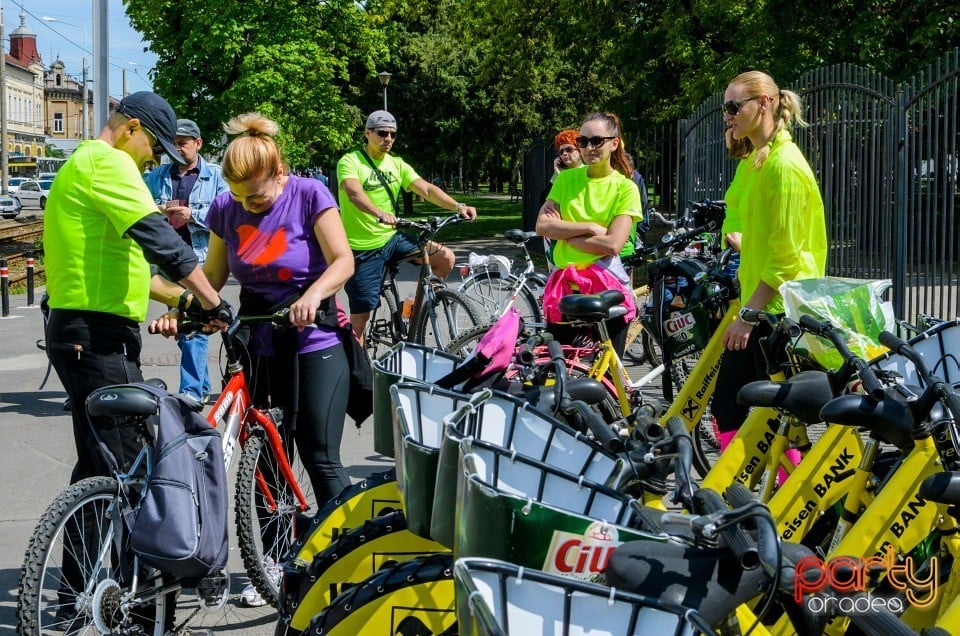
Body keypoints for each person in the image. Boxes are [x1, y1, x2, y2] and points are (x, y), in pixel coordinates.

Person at [151, 112, 355, 607]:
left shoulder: (310, 194)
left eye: (257, 197)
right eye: (239, 197)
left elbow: (343, 260)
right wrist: (181, 311)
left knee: (317, 453)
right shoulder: (225, 208)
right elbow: (213, 280)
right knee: (264, 457)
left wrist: (315, 294)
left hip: (313, 333)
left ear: (279, 172)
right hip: (258, 334)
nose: (247, 206)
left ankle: (347, 564)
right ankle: (277, 568)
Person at [44, 91, 231, 489]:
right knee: (132, 469)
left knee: (99, 466)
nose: (156, 160)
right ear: (132, 128)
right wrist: (215, 301)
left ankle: (85, 552)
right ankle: (133, 555)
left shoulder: (83, 163)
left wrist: (186, 302)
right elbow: (162, 241)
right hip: (99, 338)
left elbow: (131, 270)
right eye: (155, 148)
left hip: (79, 332)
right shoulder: (108, 162)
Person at [711, 71, 827, 451]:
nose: (726, 115)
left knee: (774, 421)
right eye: (724, 107)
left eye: (733, 106)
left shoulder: (784, 166)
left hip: (775, 313)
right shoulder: (756, 161)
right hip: (759, 307)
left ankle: (803, 502)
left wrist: (748, 316)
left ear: (765, 103)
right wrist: (742, 238)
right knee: (729, 411)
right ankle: (743, 496)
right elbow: (734, 210)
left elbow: (787, 259)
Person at [337, 110, 476, 342]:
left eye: (392, 134)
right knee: (359, 323)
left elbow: (427, 189)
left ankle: (413, 309)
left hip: (392, 240)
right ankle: (359, 373)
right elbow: (353, 192)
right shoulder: (350, 161)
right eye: (382, 133)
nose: (388, 138)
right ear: (367, 133)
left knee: (445, 258)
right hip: (362, 248)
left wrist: (457, 205)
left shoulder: (396, 164)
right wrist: (378, 212)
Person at [536, 112, 644, 357]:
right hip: (565, 291)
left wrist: (564, 234)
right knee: (556, 370)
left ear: (613, 143)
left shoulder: (625, 187)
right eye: (583, 142)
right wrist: (590, 228)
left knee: (606, 375)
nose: (589, 148)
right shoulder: (566, 179)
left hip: (604, 290)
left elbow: (613, 244)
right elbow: (542, 226)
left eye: (597, 141)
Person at [144, 119, 230, 403]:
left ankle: (191, 392)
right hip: (168, 262)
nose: (177, 149)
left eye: (183, 143)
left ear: (198, 143)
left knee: (193, 322)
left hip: (203, 262)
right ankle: (201, 387)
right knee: (186, 328)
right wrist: (160, 211)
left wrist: (192, 216)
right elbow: (140, 211)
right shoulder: (156, 176)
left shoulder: (216, 176)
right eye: (173, 144)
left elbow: (226, 218)